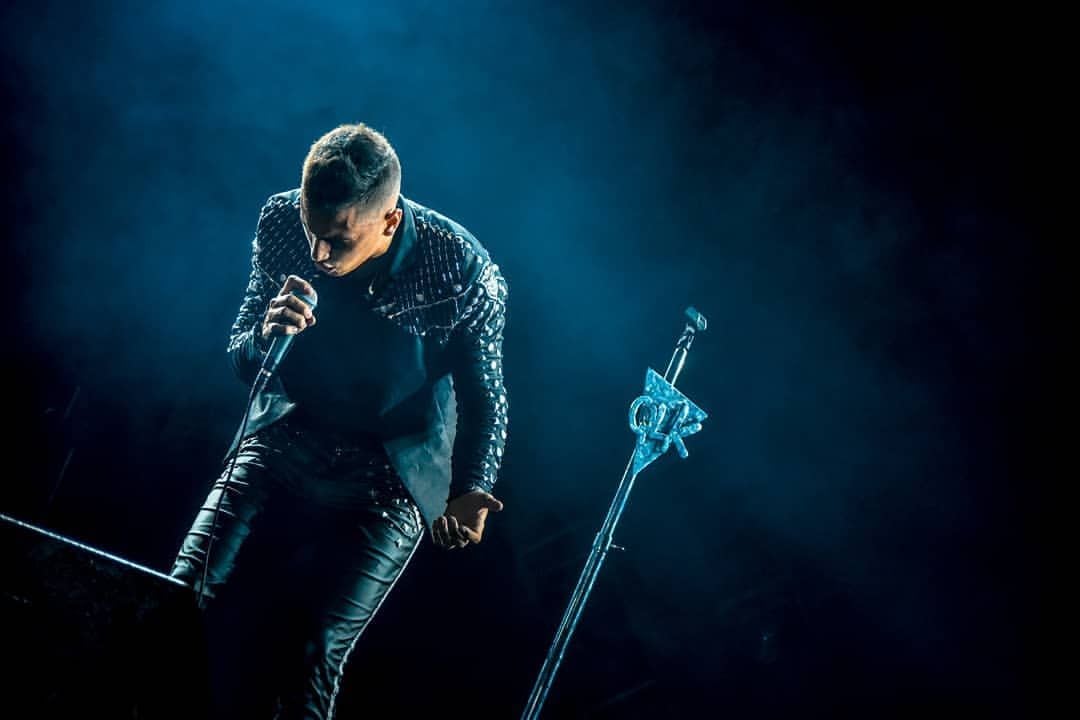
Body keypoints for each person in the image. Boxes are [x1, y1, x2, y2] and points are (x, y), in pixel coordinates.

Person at [168, 123, 509, 719]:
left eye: (338, 240)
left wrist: (474, 487)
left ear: (389, 222)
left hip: (390, 468)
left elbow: (487, 392)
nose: (320, 254)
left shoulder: (460, 268)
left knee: (314, 651)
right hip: (290, 431)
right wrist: (265, 336)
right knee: (177, 593)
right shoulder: (279, 222)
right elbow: (241, 360)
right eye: (311, 230)